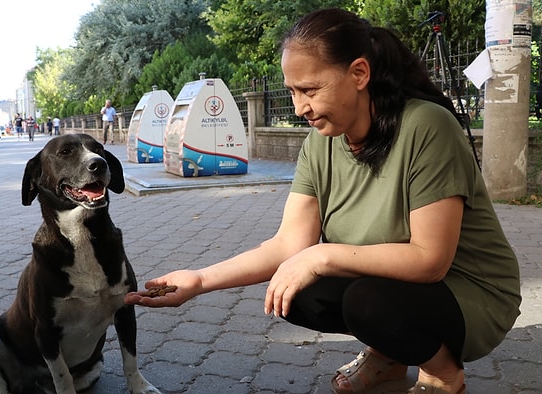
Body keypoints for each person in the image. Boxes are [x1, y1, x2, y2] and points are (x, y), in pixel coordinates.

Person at [125, 8, 521, 394]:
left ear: (359, 73)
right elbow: (286, 246)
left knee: (361, 298)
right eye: (293, 92)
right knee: (297, 291)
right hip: (399, 287)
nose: (299, 108)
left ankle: (443, 374)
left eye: (310, 90)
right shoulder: (321, 143)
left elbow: (430, 261)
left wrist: (321, 256)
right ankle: (390, 355)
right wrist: (199, 280)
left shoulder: (426, 126)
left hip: (469, 292)